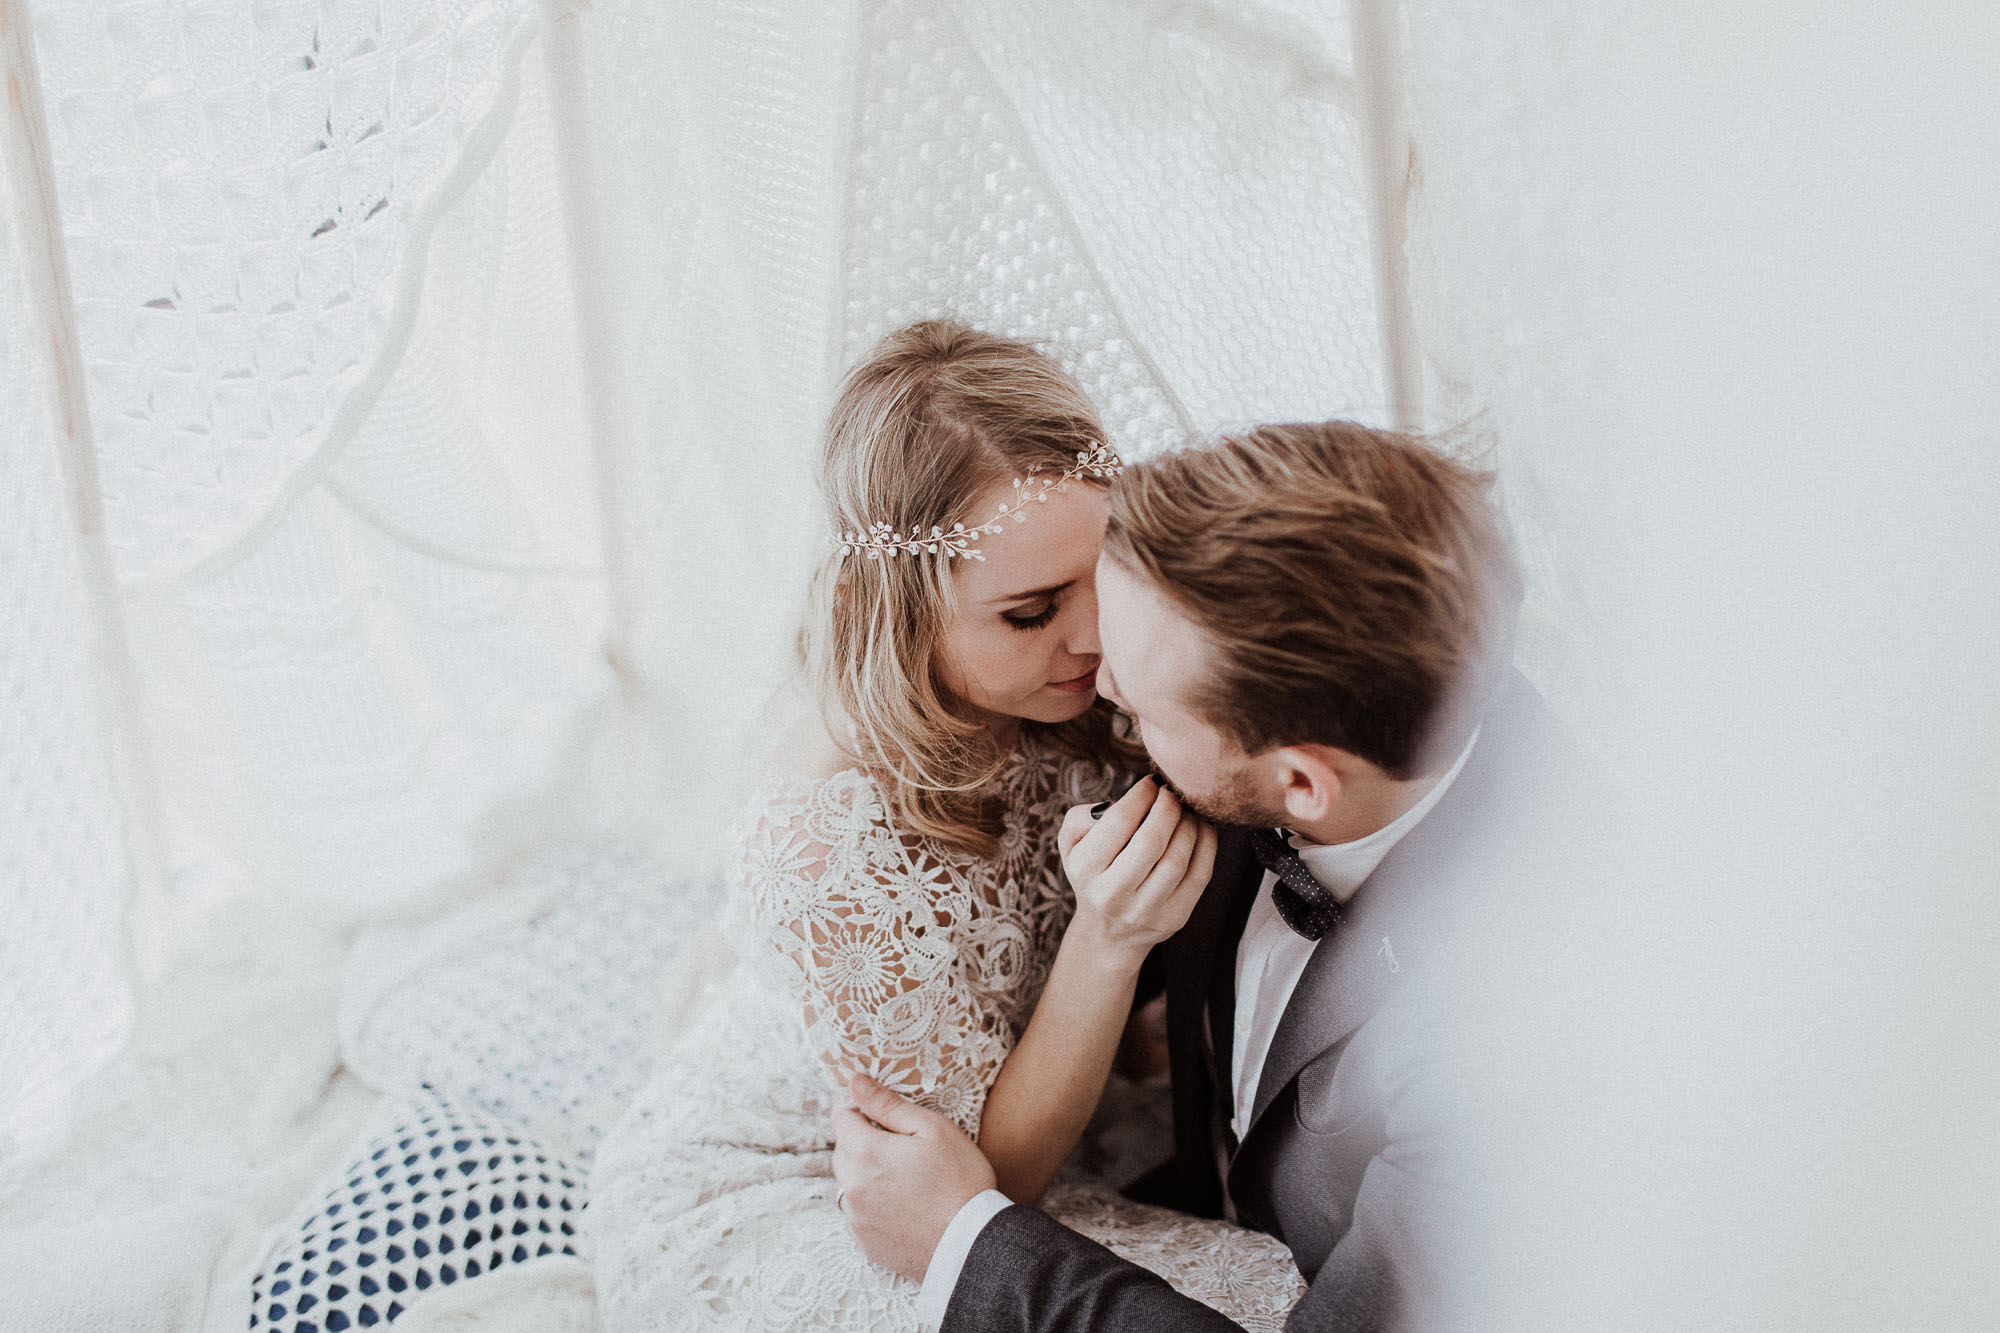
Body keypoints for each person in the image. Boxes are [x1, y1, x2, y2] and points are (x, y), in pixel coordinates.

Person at [588, 323, 1306, 1331]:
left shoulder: (1080, 680)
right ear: (893, 613)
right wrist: (1107, 941)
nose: (1092, 636)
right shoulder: (823, 836)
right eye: (1028, 611)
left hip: (1039, 1099)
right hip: (828, 1190)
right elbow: (974, 1195)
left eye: (1099, 575)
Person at [832, 420, 1564, 1330]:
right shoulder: (1324, 660)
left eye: (1143, 712)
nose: (1103, 697)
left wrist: (963, 1238)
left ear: (1300, 782)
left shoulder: (1515, 1041)